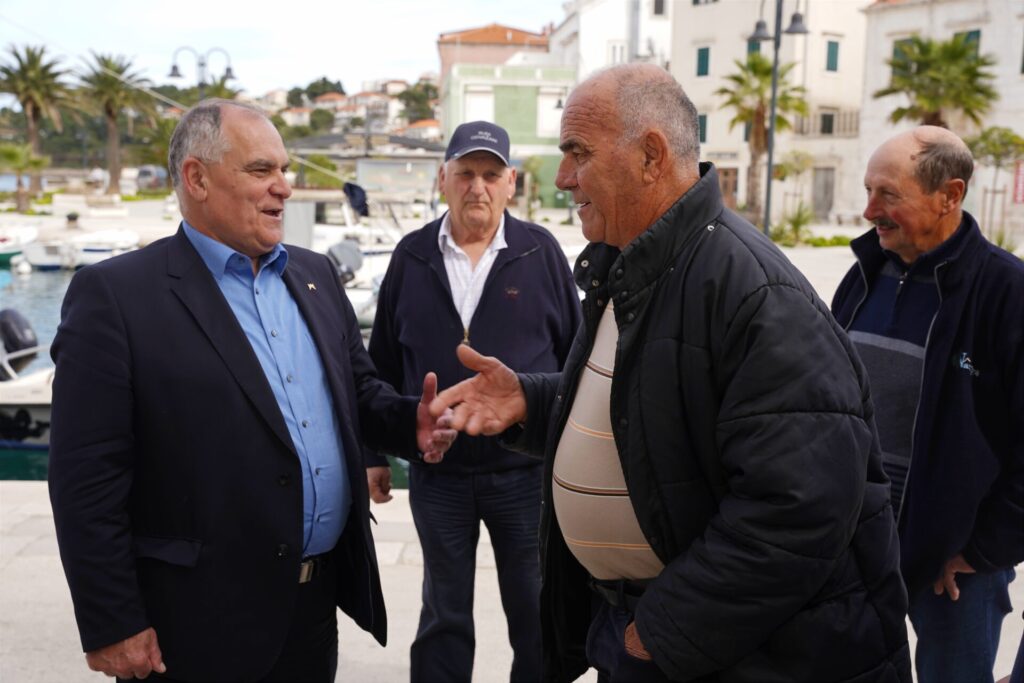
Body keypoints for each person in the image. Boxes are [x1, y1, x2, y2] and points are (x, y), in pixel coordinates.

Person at [429, 63, 912, 682]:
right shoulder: (636, 266)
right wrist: (532, 401)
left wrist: (659, 632)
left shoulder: (755, 293)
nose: (563, 177)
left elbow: (802, 507)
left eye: (578, 153)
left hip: (725, 652)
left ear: (651, 156)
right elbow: (645, 416)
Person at [47, 99, 456, 683]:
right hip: (193, 623)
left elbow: (358, 392)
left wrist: (408, 422)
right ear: (197, 178)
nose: (284, 187)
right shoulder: (115, 297)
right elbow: (85, 479)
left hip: (313, 609)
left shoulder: (316, 276)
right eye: (262, 170)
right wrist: (112, 621)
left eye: (284, 169)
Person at [364, 121, 581, 682]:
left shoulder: (541, 252)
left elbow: (577, 363)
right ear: (443, 179)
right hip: (438, 474)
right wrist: (373, 453)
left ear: (511, 183)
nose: (477, 187)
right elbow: (379, 365)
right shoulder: (411, 256)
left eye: (490, 174)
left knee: (536, 610)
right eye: (465, 173)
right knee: (444, 612)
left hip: (525, 475)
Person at [831, 126, 1024, 683]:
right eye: (868, 191)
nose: (870, 210)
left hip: (956, 568)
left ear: (950, 195)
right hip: (857, 547)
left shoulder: (1006, 291)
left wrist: (984, 549)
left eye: (888, 194)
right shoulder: (863, 277)